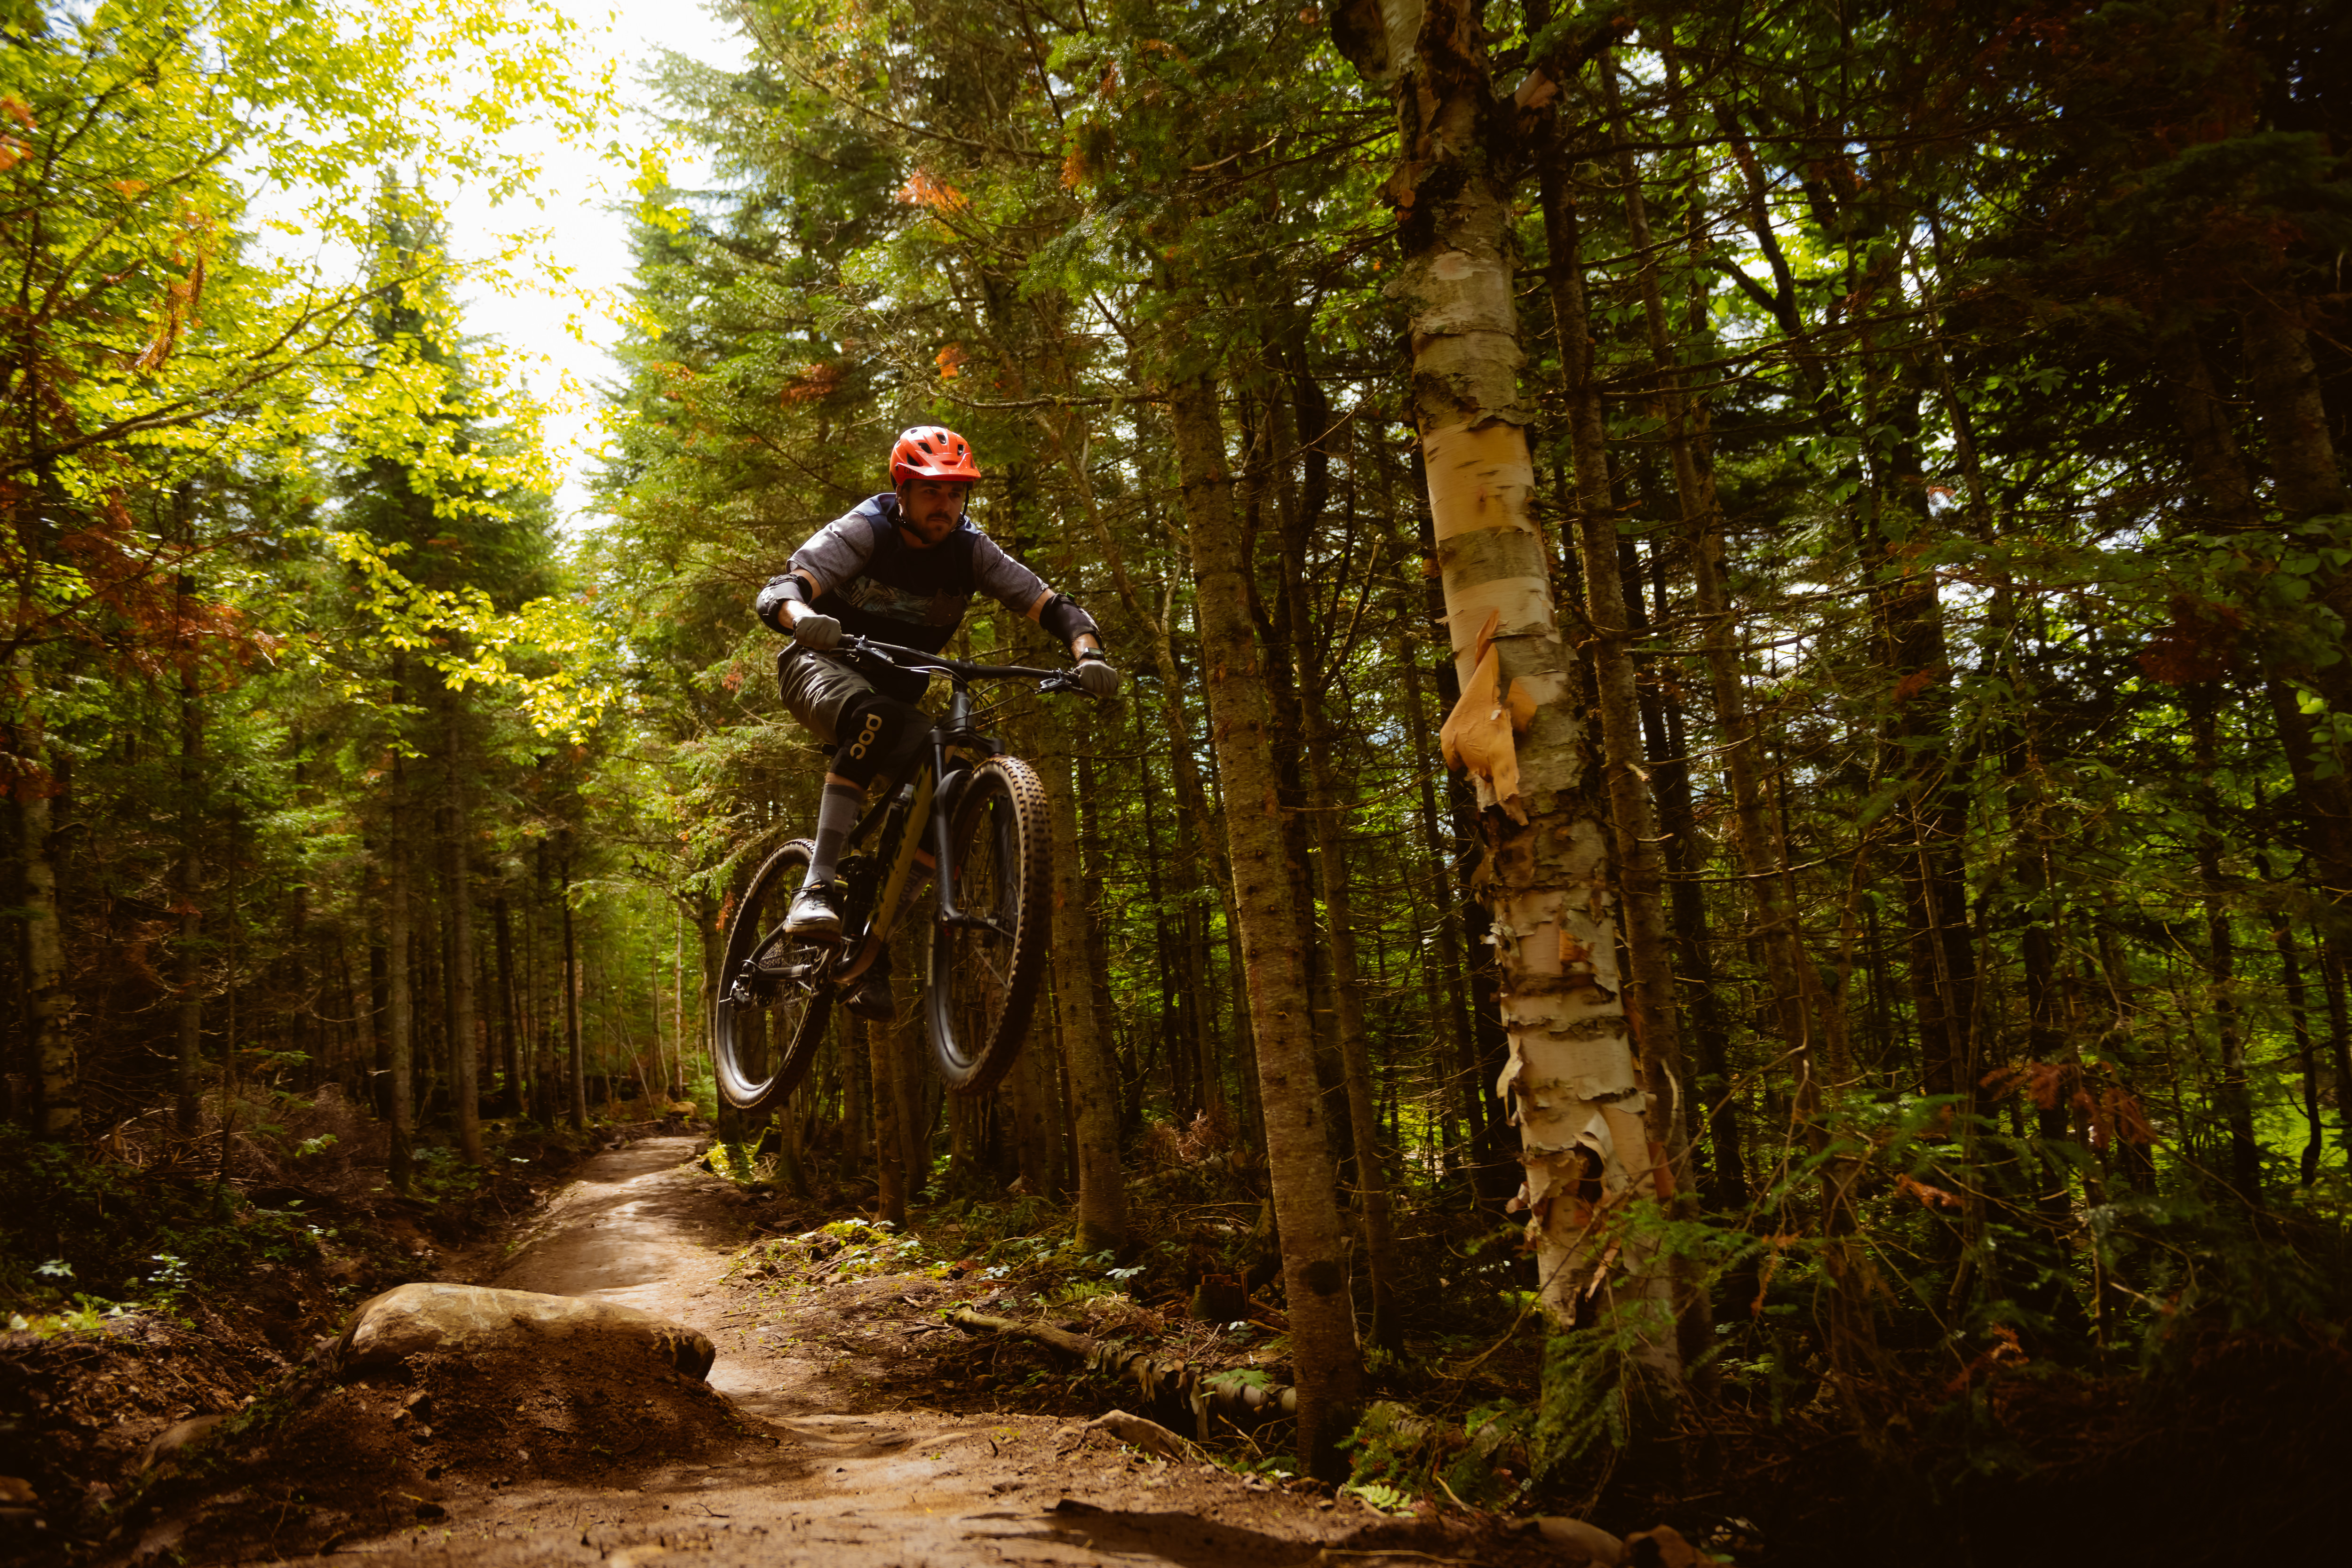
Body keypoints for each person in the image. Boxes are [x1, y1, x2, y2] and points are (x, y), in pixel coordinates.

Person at [753, 425, 1120, 1020]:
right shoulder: (866, 530)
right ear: (902, 491)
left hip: (899, 695)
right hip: (818, 666)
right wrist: (803, 618)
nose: (943, 506)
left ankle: (869, 948)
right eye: (930, 493)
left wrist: (1088, 654)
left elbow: (1052, 605)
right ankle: (815, 888)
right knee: (871, 719)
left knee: (944, 780)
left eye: (954, 494)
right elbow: (783, 588)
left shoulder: (970, 550)